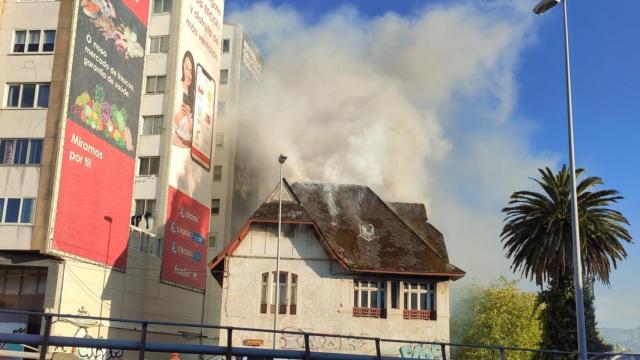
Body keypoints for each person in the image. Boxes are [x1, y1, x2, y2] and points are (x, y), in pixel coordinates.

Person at [172, 51, 195, 147]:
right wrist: (181, 114)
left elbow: (192, 131)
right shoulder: (177, 88)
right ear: (182, 66)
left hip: (188, 148)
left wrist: (189, 118)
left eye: (191, 70)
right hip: (176, 143)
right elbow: (172, 121)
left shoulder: (194, 94)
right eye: (186, 68)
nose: (188, 73)